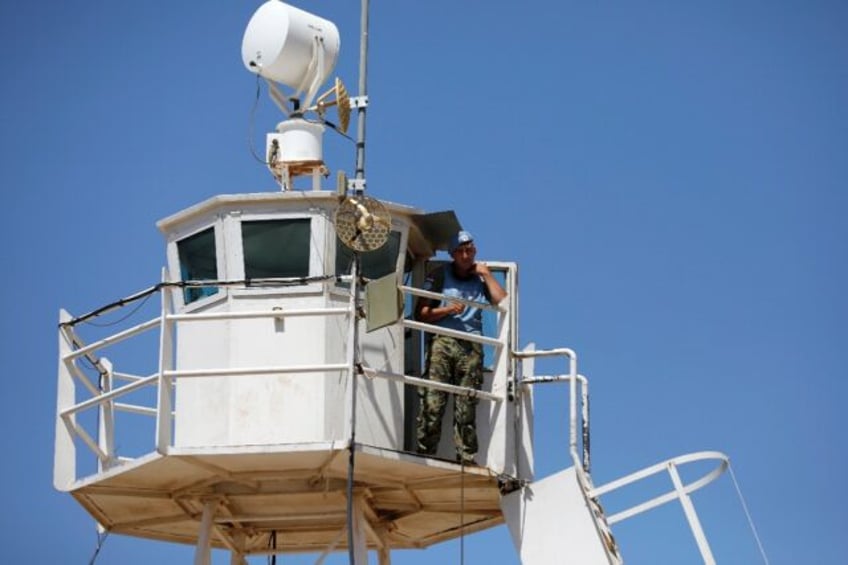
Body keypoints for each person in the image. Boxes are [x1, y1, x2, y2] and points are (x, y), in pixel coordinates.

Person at [415, 230, 507, 465]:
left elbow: (501, 299)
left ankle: (466, 457)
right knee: (433, 402)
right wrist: (446, 310)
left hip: (471, 345)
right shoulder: (439, 275)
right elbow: (421, 313)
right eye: (462, 251)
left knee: (466, 404)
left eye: (471, 250)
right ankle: (425, 452)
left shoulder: (479, 278)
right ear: (453, 254)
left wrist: (486, 274)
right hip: (443, 341)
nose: (467, 255)